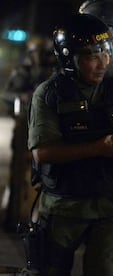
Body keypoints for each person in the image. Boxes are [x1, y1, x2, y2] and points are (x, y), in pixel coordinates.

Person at [27, 13, 113, 275]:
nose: (102, 63)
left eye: (105, 53)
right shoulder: (50, 93)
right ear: (69, 59)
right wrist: (98, 148)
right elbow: (43, 152)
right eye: (90, 56)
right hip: (65, 205)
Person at [2, 35, 56, 231]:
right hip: (24, 125)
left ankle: (36, 219)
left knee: (43, 175)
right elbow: (8, 95)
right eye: (36, 52)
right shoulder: (24, 70)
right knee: (18, 174)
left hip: (46, 129)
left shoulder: (54, 70)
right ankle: (14, 216)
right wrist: (23, 97)